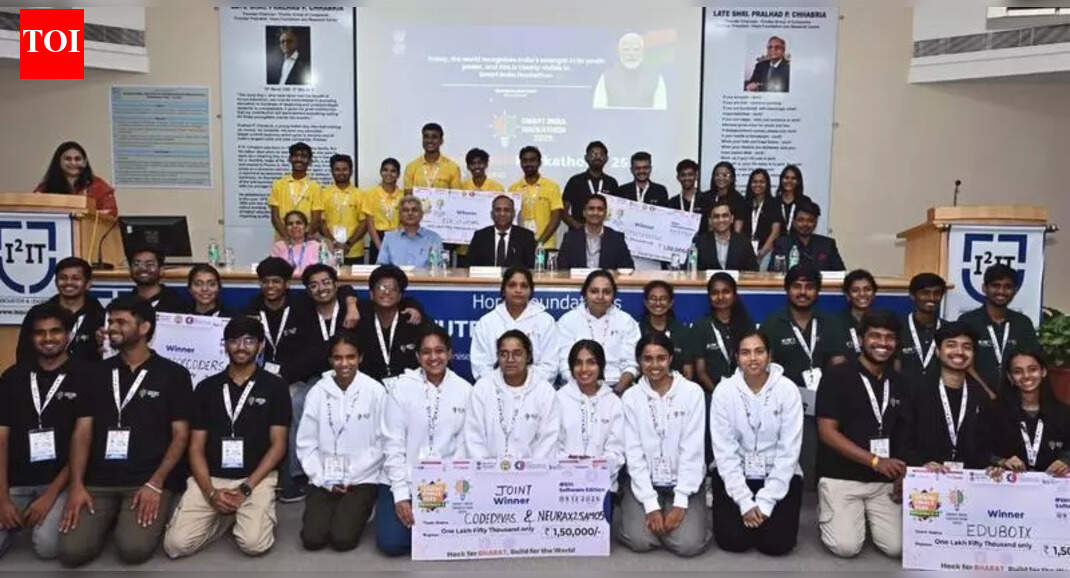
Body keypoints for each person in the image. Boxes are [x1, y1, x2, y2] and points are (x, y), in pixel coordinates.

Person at [58, 296, 193, 567]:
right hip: (99, 481)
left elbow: (181, 434)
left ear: (144, 328)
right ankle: (110, 518)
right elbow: (82, 432)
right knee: (72, 552)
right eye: (110, 321)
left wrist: (156, 482)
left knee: (133, 550)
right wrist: (77, 485)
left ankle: (133, 516)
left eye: (121, 322)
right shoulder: (95, 374)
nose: (111, 328)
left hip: (147, 480)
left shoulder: (173, 374)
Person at [162, 317, 290, 558]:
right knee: (175, 546)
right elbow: (196, 448)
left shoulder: (276, 387)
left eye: (249, 341)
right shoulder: (206, 388)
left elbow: (278, 445)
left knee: (253, 544)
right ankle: (226, 518)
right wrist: (211, 493)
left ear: (261, 345)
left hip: (255, 478)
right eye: (234, 341)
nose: (241, 347)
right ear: (225, 345)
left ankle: (242, 513)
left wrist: (246, 488)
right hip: (212, 477)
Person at [815, 311, 912, 559]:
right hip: (841, 477)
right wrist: (875, 461)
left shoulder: (900, 382)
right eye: (875, 336)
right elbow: (826, 432)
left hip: (883, 482)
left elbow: (904, 433)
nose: (882, 343)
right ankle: (832, 507)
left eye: (889, 338)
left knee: (897, 547)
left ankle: (862, 514)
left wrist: (904, 474)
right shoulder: (837, 375)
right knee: (846, 547)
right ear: (860, 339)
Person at [378, 327, 472, 556]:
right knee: (392, 543)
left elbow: (465, 445)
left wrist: (447, 483)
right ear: (418, 356)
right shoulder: (401, 388)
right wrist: (401, 496)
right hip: (404, 479)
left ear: (449, 354)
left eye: (439, 351)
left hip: (445, 482)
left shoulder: (465, 390)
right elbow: (392, 445)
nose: (433, 357)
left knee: (451, 537)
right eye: (426, 352)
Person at [0, 305, 85, 560]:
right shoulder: (13, 377)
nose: (48, 338)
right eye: (40, 333)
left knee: (47, 547)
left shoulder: (86, 376)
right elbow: (1, 438)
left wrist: (50, 496)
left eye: (55, 331)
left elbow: (83, 444)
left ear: (67, 335)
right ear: (31, 337)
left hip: (59, 483)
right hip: (15, 482)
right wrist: (2, 498)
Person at [710, 329, 804, 556]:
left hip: (778, 474)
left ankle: (762, 517)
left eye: (759, 351)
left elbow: (789, 451)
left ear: (769, 355)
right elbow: (724, 452)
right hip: (736, 475)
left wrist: (765, 502)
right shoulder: (724, 391)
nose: (752, 358)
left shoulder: (788, 390)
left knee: (776, 545)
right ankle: (749, 517)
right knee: (734, 542)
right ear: (736, 357)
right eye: (745, 353)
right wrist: (744, 501)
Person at [617, 333, 709, 557]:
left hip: (684, 481)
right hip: (645, 482)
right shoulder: (630, 398)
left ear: (670, 359)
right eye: (647, 359)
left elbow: (693, 451)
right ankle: (642, 518)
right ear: (639, 361)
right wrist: (650, 505)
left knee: (688, 545)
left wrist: (681, 502)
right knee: (641, 541)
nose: (655, 365)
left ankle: (680, 522)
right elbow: (634, 454)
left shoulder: (692, 393)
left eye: (661, 358)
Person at [296, 332, 387, 552]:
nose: (344, 364)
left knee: (342, 539)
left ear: (360, 358)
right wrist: (322, 478)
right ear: (330, 360)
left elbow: (382, 443)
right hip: (324, 477)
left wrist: (350, 476)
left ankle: (361, 509)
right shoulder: (317, 392)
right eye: (338, 358)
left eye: (350, 357)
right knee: (312, 539)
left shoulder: (375, 391)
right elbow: (306, 443)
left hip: (362, 478)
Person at [761, 265, 848, 487]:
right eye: (797, 286)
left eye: (809, 287)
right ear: (787, 290)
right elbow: (765, 368)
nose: (802, 292)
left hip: (826, 402)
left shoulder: (831, 322)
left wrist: (828, 398)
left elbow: (839, 366)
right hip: (784, 404)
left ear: (817, 291)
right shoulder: (773, 323)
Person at [243, 257, 317, 503]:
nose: (270, 287)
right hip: (259, 376)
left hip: (297, 377)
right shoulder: (251, 309)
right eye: (265, 282)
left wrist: (284, 376)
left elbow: (312, 351)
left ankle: (292, 478)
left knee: (291, 404)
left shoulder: (303, 307)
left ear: (286, 283)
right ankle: (252, 473)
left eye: (276, 281)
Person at [907, 323, 995, 472]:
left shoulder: (980, 395)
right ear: (937, 351)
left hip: (967, 479)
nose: (959, 352)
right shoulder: (916, 391)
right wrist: (921, 463)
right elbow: (903, 440)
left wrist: (991, 465)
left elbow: (986, 445)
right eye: (951, 345)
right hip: (925, 477)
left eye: (967, 347)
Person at [465, 330, 561, 459]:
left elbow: (548, 439)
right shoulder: (482, 388)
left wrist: (532, 468)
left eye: (517, 354)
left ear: (528, 356)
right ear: (497, 357)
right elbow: (473, 435)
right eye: (504, 354)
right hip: (487, 468)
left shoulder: (544, 391)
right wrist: (487, 467)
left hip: (533, 469)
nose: (510, 360)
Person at [957, 263, 1040, 397]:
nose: (1001, 291)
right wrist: (987, 393)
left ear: (1015, 290)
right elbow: (963, 362)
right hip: (976, 397)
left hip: (1015, 398)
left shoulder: (1023, 322)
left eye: (1008, 287)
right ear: (984, 288)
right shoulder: (968, 321)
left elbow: (1032, 361)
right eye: (995, 285)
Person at [470, 267, 559, 384]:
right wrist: (502, 385)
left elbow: (550, 366)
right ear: (503, 290)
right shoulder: (486, 322)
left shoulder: (545, 321)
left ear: (531, 291)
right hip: (494, 390)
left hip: (535, 390)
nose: (518, 290)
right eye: (512, 285)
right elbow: (480, 365)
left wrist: (523, 384)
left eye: (524, 286)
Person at [557, 270, 642, 393]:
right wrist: (583, 391)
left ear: (613, 295)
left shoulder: (626, 321)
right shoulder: (568, 321)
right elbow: (564, 365)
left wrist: (615, 393)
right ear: (585, 294)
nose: (600, 297)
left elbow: (632, 365)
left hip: (617, 387)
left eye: (606, 292)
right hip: (577, 387)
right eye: (594, 291)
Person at [557, 341, 625, 491]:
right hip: (563, 486)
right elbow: (553, 447)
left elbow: (616, 451)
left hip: (603, 488)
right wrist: (574, 470)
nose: (584, 369)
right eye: (578, 363)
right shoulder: (558, 400)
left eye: (591, 363)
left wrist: (594, 470)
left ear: (601, 366)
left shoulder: (613, 402)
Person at [991, 349, 1070, 476]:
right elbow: (981, 451)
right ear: (1010, 377)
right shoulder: (994, 412)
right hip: (1010, 485)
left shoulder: (1064, 413)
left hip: (1052, 485)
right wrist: (1002, 461)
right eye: (1018, 372)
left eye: (1032, 369)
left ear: (1043, 372)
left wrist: (1066, 462)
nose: (1026, 376)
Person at [16, 256, 105, 365]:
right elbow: (24, 354)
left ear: (88, 283)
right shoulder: (37, 313)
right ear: (56, 281)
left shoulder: (101, 316)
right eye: (63, 278)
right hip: (44, 375)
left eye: (76, 278)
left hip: (89, 375)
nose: (68, 282)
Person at [354, 266, 428, 386]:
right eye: (381, 287)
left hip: (408, 388)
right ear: (371, 294)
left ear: (400, 295)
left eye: (393, 289)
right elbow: (342, 293)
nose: (387, 292)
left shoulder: (412, 319)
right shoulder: (359, 317)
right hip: (368, 388)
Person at [692, 272, 756, 392]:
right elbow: (701, 372)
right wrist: (718, 395)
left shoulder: (747, 324)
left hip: (745, 390)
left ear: (734, 295)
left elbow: (753, 362)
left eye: (726, 292)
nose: (720, 297)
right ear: (709, 296)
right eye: (715, 293)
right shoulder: (701, 326)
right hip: (712, 392)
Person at [35, 141, 117, 214]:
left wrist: (90, 214)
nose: (73, 163)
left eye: (77, 159)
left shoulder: (99, 186)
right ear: (58, 162)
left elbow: (111, 214)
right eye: (68, 159)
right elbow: (34, 210)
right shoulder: (46, 187)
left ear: (84, 162)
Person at [592, 32, 668, 110]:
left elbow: (661, 111)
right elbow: (598, 110)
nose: (631, 54)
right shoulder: (606, 77)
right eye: (626, 49)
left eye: (636, 49)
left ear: (643, 52)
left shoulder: (655, 77)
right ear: (619, 53)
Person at [558, 194, 635, 270]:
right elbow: (562, 267)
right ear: (584, 212)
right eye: (591, 209)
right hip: (577, 278)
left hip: (607, 278)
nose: (595, 213)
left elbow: (627, 268)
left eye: (600, 209)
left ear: (605, 213)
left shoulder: (616, 239)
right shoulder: (571, 238)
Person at [508, 146, 563, 252]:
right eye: (525, 161)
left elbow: (556, 217)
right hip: (520, 245)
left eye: (532, 160)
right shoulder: (513, 189)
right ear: (521, 163)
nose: (528, 164)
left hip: (546, 245)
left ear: (539, 162)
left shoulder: (552, 186)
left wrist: (540, 242)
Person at [896, 273, 948, 384]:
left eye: (937, 293)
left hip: (939, 393)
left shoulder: (948, 330)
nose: (931, 298)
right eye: (925, 293)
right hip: (903, 392)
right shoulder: (897, 328)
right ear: (912, 295)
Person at [639, 281, 695, 380]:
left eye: (663, 298)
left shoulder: (683, 332)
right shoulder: (637, 330)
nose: (658, 303)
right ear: (646, 302)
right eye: (653, 298)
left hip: (677, 385)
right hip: (645, 385)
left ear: (671, 303)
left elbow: (688, 372)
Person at [769, 200, 845, 272]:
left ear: (816, 223)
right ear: (794, 222)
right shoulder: (782, 244)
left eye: (810, 220)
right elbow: (773, 273)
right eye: (800, 220)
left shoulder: (827, 244)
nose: (805, 224)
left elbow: (841, 273)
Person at [268, 142, 322, 240]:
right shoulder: (278, 184)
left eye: (304, 156)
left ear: (310, 161)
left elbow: (316, 219)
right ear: (290, 159)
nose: (299, 159)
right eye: (295, 156)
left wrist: (302, 239)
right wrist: (288, 238)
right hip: (283, 240)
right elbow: (275, 218)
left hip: (306, 240)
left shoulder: (315, 187)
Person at [321, 154, 368, 265]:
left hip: (354, 250)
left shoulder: (361, 195)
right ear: (332, 171)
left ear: (351, 171)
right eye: (337, 169)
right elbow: (321, 222)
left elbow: (364, 223)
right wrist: (333, 242)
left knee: (353, 277)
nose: (341, 173)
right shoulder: (323, 194)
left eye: (345, 169)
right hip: (330, 249)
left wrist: (348, 244)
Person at [466, 195, 536, 268]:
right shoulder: (480, 237)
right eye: (498, 210)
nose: (502, 214)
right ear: (492, 214)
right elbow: (469, 265)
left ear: (513, 214)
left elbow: (531, 266)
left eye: (506, 210)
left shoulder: (526, 237)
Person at [562, 141, 619, 229]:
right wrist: (579, 228)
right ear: (586, 158)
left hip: (605, 233)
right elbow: (563, 210)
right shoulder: (575, 181)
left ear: (606, 158)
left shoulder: (611, 182)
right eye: (593, 154)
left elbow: (617, 211)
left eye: (601, 154)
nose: (597, 157)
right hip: (579, 232)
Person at [376, 196, 444, 268]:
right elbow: (381, 267)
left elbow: (439, 269)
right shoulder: (389, 238)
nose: (410, 213)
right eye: (405, 210)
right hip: (397, 275)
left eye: (414, 210)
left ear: (421, 215)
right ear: (400, 215)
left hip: (424, 275)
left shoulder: (434, 238)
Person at [695, 200, 760, 271]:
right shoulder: (700, 242)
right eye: (716, 216)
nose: (721, 220)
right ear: (710, 221)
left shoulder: (744, 243)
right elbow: (692, 270)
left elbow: (754, 271)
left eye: (725, 216)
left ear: (731, 219)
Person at [740, 168, 783, 271]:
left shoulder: (774, 204)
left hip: (766, 251)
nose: (758, 184)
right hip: (746, 251)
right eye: (755, 182)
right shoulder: (744, 203)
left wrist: (762, 252)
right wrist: (746, 250)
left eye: (761, 182)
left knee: (762, 277)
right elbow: (739, 230)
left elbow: (775, 232)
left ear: (767, 184)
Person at [123, 246, 187, 313]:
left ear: (161, 270)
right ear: (130, 270)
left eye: (149, 264)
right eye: (136, 264)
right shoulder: (123, 303)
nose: (143, 268)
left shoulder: (178, 303)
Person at [403, 122, 462, 193]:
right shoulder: (411, 167)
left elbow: (456, 197)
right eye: (426, 137)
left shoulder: (453, 168)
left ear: (441, 141)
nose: (429, 141)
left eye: (434, 137)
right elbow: (408, 196)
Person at [365, 158, 404, 265]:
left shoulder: (403, 195)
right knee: (378, 272)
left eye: (393, 171)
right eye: (385, 170)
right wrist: (381, 248)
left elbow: (404, 222)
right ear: (380, 172)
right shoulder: (371, 194)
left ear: (398, 174)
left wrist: (398, 243)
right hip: (378, 238)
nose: (389, 174)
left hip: (398, 238)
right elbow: (370, 224)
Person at [270, 210, 323, 277]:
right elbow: (273, 271)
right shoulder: (278, 247)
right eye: (290, 224)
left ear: (306, 227)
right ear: (285, 228)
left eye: (299, 223)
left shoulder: (316, 246)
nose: (294, 226)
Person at [840, 269, 878, 354]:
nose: (862, 294)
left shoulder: (883, 322)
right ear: (847, 295)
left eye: (867, 289)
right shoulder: (836, 324)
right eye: (855, 290)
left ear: (874, 294)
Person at [667, 159, 710, 224]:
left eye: (690, 174)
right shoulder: (672, 203)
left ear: (696, 176)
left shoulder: (707, 200)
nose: (687, 178)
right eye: (683, 175)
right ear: (678, 178)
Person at [707, 161, 747, 229]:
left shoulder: (739, 200)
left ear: (732, 178)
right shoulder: (705, 197)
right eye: (717, 175)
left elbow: (737, 231)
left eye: (725, 175)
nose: (721, 178)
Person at [774, 165, 811, 234]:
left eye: (793, 178)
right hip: (778, 240)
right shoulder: (774, 202)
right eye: (786, 178)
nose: (789, 181)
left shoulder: (805, 201)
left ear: (798, 181)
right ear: (781, 180)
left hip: (798, 239)